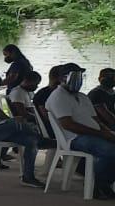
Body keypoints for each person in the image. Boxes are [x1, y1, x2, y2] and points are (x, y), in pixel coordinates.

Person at [47, 64, 115, 198]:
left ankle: (104, 182)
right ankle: (97, 184)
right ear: (63, 78)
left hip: (92, 134)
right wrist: (102, 134)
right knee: (110, 150)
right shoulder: (58, 96)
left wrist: (107, 132)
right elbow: (68, 125)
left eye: (81, 76)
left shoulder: (83, 97)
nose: (79, 80)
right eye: (75, 75)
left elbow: (96, 120)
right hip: (75, 138)